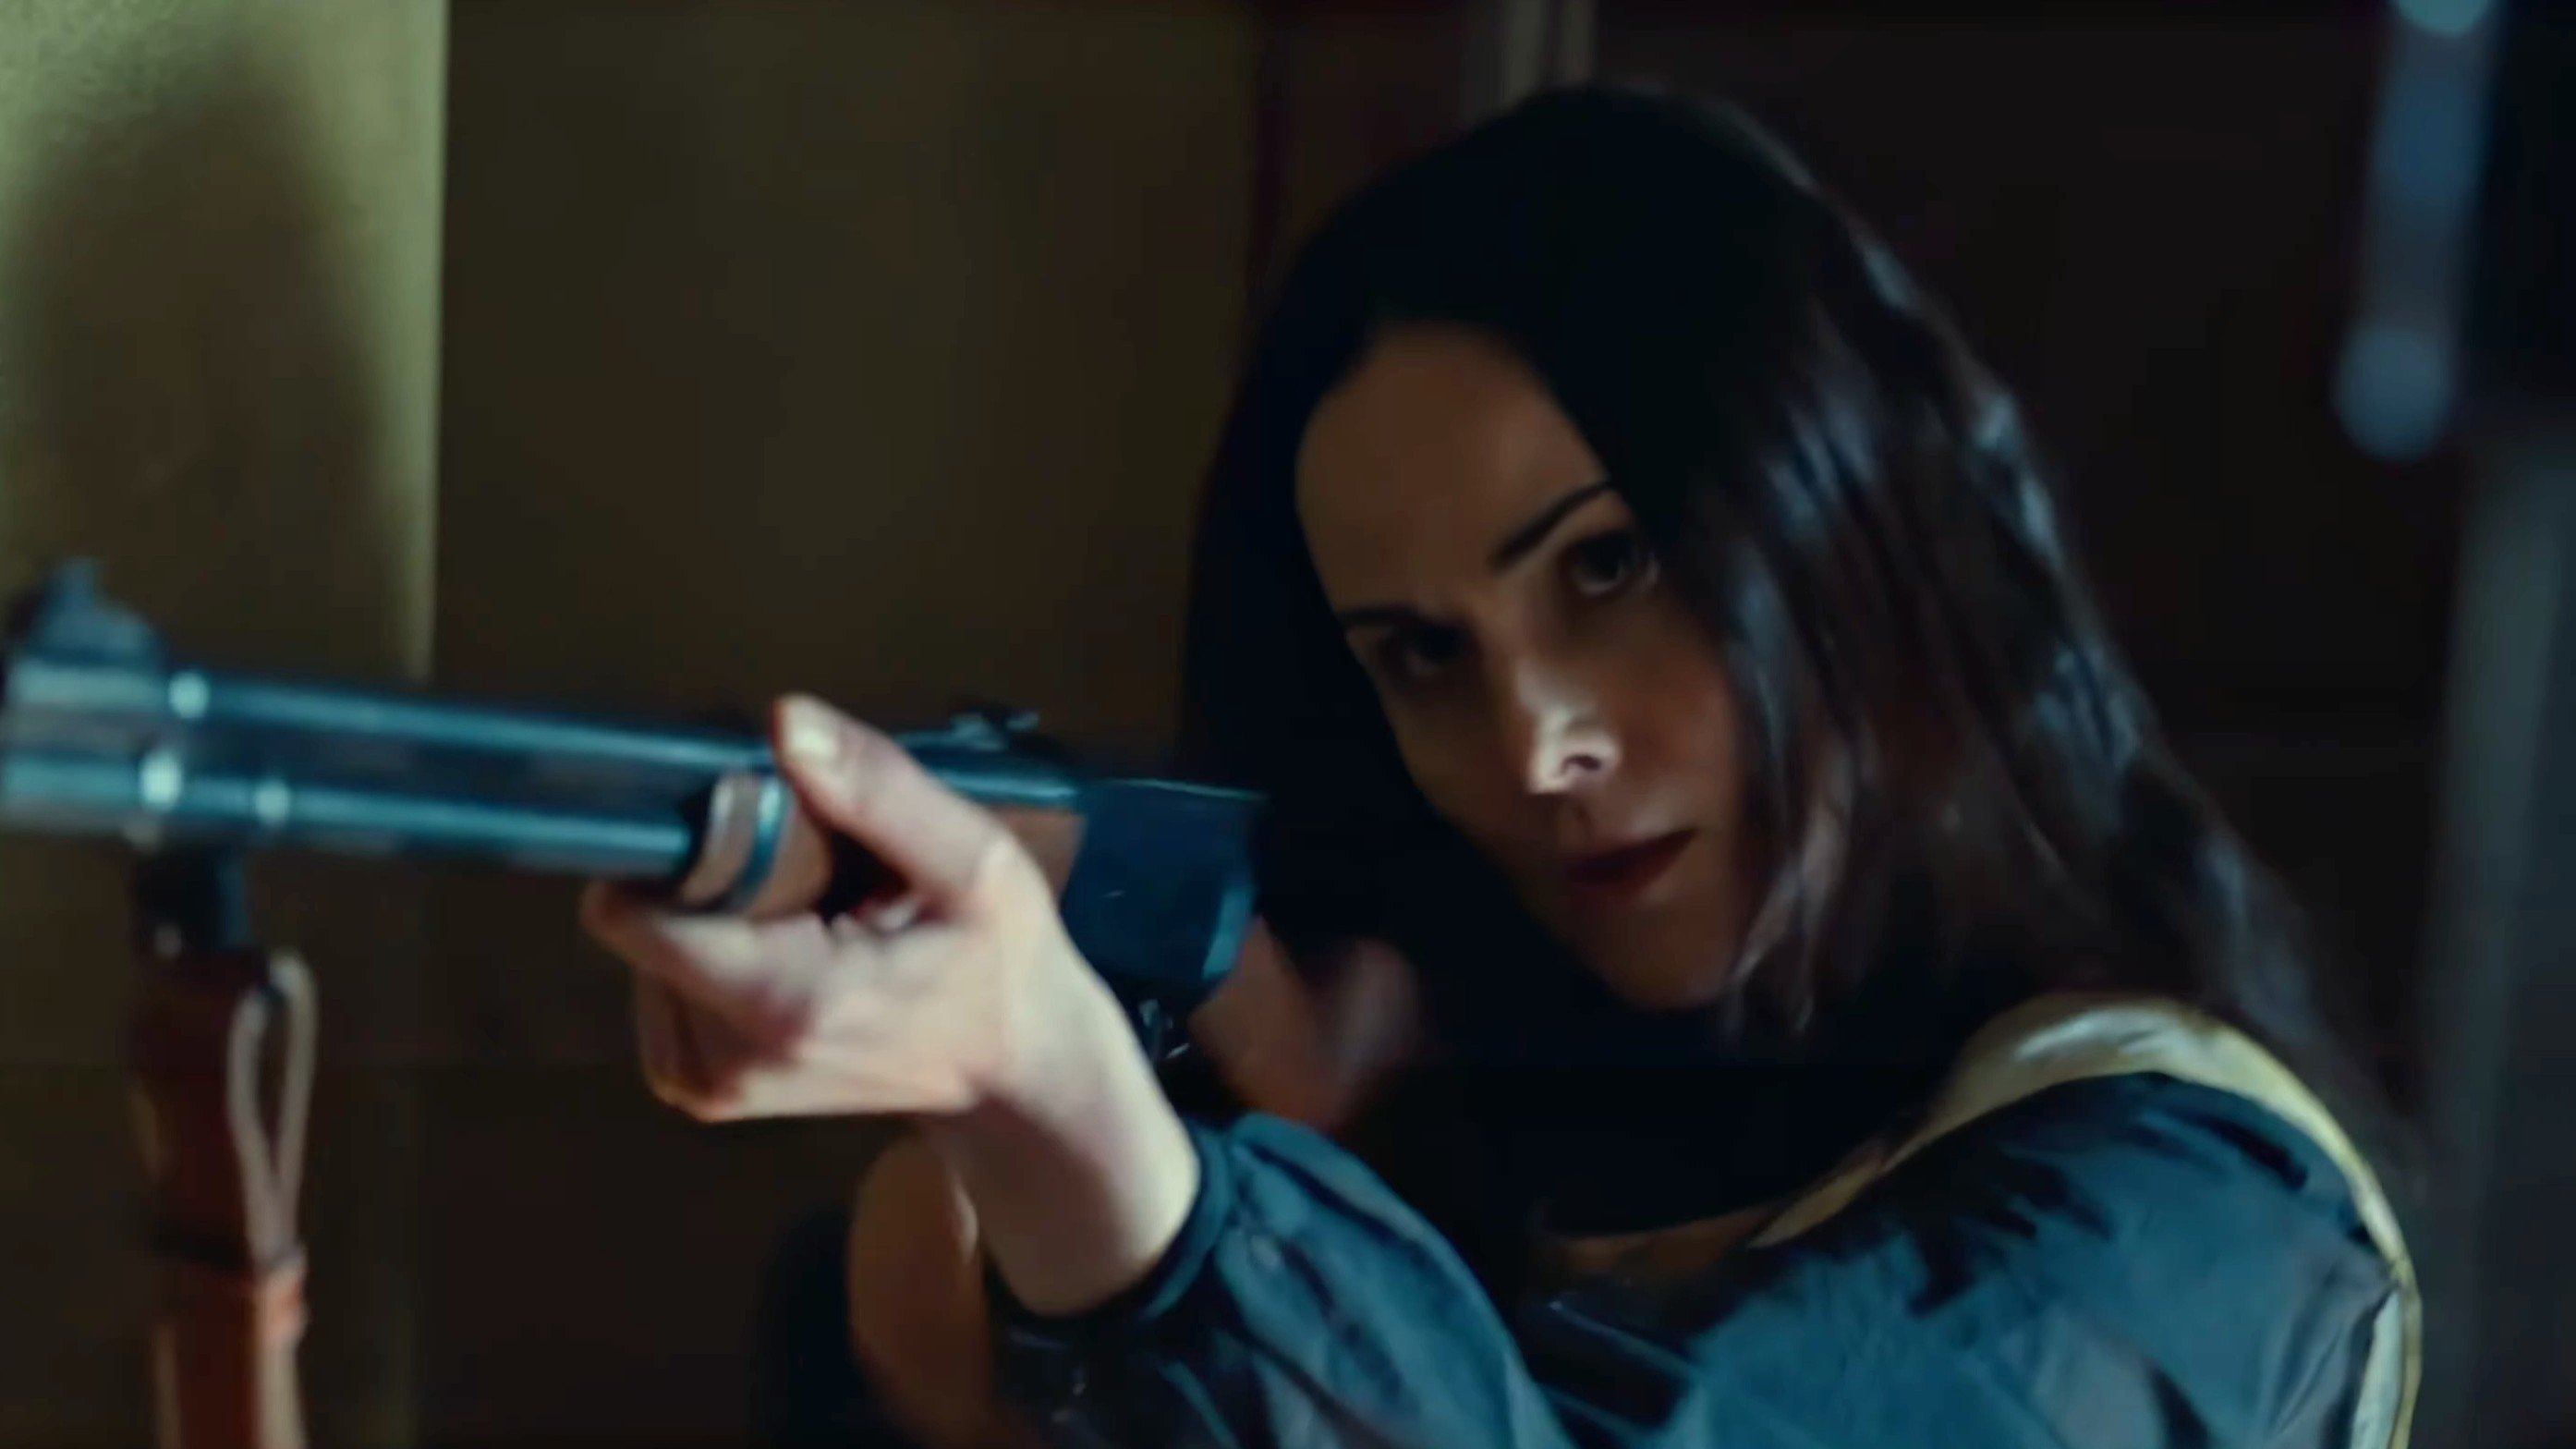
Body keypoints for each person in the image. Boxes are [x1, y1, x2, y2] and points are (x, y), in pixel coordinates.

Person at [582, 86, 2420, 1448]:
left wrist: (1078, 1129)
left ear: (1834, 523)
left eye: (1610, 567)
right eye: (1421, 654)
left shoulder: (2185, 1210)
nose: (1538, 743)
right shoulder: (1503, 1105)